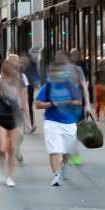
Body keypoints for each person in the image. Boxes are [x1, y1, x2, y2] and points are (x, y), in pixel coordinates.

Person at [34, 50, 84, 186]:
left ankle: (63, 166)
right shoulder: (48, 87)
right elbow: (37, 104)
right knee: (54, 150)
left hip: (69, 122)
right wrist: (52, 103)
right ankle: (56, 175)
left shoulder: (70, 86)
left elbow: (79, 101)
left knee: (66, 150)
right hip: (52, 122)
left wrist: (68, 102)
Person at [0, 54, 31, 187]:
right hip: (1, 116)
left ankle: (9, 176)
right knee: (2, 149)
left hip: (15, 118)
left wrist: (27, 122)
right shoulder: (0, 80)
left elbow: (25, 102)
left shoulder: (21, 80)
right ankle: (2, 170)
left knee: (11, 149)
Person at [21, 53, 41, 126]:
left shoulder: (31, 64)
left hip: (28, 87)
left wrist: (36, 83)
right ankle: (29, 123)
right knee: (26, 106)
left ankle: (30, 124)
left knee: (28, 105)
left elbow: (35, 74)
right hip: (25, 87)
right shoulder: (22, 66)